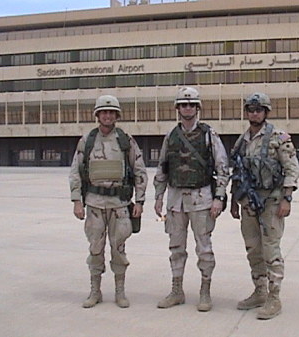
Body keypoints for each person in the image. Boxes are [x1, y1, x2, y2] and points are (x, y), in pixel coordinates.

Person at [153, 86, 229, 312]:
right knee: (176, 246)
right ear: (178, 108)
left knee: (204, 247)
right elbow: (162, 167)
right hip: (176, 199)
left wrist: (219, 197)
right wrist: (158, 196)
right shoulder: (171, 136)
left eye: (191, 105)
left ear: (197, 108)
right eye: (183, 105)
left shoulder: (209, 135)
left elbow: (222, 167)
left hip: (201, 198)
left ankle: (205, 291)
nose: (187, 108)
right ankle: (177, 290)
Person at [69, 94, 148, 309]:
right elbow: (75, 171)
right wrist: (77, 200)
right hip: (94, 203)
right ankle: (95, 291)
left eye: (111, 112)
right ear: (97, 115)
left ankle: (120, 292)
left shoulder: (125, 140)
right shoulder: (87, 141)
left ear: (117, 115)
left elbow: (140, 170)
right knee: (95, 248)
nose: (107, 115)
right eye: (104, 112)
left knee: (118, 248)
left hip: (119, 204)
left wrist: (139, 201)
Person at [230, 92, 299, 320]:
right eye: (250, 109)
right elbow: (237, 173)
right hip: (248, 203)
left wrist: (286, 199)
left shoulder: (278, 138)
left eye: (258, 109)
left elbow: (291, 169)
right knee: (253, 249)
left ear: (266, 112)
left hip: (271, 201)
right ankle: (259, 291)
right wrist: (234, 201)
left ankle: (274, 297)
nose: (254, 113)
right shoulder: (243, 140)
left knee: (271, 250)